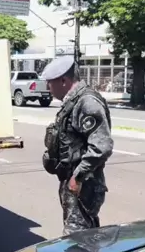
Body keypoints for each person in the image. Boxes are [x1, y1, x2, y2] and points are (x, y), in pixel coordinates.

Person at [41, 56, 114, 236]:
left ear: (63, 81)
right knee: (86, 238)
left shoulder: (87, 102)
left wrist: (79, 176)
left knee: (76, 240)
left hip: (84, 185)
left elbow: (102, 146)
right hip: (75, 182)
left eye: (50, 82)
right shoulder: (73, 101)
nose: (48, 87)